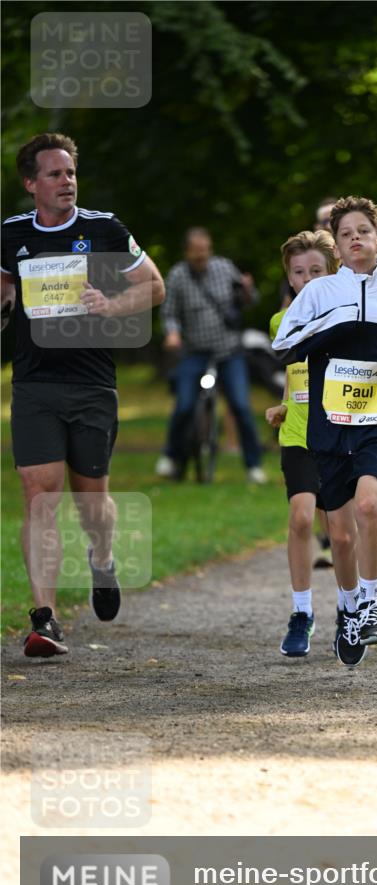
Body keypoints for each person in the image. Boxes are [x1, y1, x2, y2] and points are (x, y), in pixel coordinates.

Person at [0, 132, 165, 657]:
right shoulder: (10, 235)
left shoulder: (104, 228)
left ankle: (102, 556)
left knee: (92, 503)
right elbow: (4, 292)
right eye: (54, 174)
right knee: (39, 493)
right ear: (31, 184)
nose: (66, 181)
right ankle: (44, 619)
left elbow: (154, 287)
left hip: (93, 383)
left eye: (70, 173)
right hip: (34, 384)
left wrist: (110, 305)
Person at [273, 196, 377, 666]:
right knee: (340, 537)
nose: (355, 239)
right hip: (330, 429)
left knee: (371, 503)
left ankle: (368, 604)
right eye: (345, 234)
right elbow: (283, 344)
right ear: (337, 249)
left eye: (363, 231)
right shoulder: (318, 295)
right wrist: (334, 323)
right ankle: (347, 609)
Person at [265, 229, 339, 656]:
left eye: (316, 271)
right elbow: (297, 378)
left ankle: (354, 607)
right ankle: (301, 612)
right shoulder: (281, 322)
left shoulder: (348, 318)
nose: (307, 280)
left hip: (341, 431)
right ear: (288, 278)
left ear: (332, 272)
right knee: (300, 516)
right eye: (298, 272)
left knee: (342, 533)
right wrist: (283, 406)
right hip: (297, 434)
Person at [156, 227, 267, 484]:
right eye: (196, 253)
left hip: (229, 351)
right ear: (187, 252)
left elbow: (249, 300)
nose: (201, 257)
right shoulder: (177, 276)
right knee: (184, 406)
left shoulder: (224, 268)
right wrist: (172, 334)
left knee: (240, 406)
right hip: (194, 352)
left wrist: (248, 290)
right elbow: (169, 313)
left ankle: (253, 466)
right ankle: (171, 456)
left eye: (205, 252)